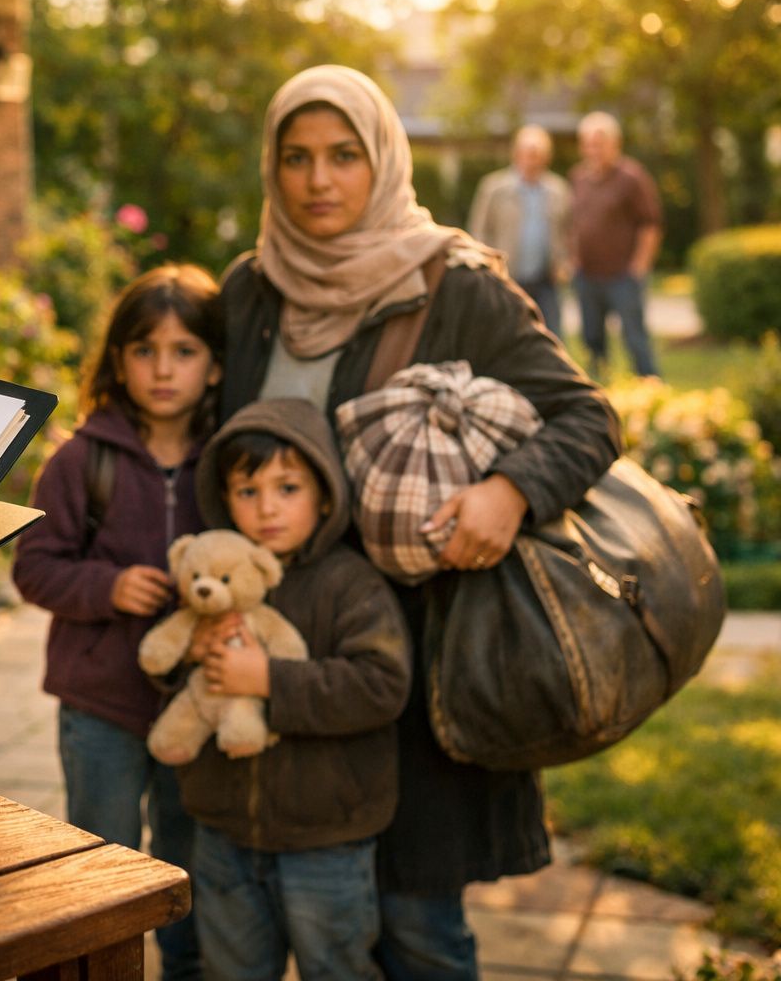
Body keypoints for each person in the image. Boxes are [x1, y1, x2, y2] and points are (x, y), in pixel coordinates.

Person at [210, 66, 620, 979]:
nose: (319, 181)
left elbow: (589, 417)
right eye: (297, 158)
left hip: (418, 678)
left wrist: (510, 491)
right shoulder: (251, 293)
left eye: (344, 156)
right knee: (278, 932)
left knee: (416, 933)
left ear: (383, 159)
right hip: (281, 670)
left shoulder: (457, 287)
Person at [12, 263, 223, 981]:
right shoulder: (80, 461)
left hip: (198, 707)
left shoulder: (229, 463)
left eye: (184, 350)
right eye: (144, 350)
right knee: (102, 863)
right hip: (99, 707)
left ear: (216, 363)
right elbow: (33, 568)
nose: (164, 369)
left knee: (187, 861)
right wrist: (107, 587)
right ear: (119, 360)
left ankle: (187, 969)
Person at [179, 398, 409, 981]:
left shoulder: (349, 583)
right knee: (231, 969)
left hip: (326, 836)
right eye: (247, 491)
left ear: (325, 495)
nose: (267, 509)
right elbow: (181, 682)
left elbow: (382, 684)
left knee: (336, 967)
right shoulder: (216, 581)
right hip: (225, 827)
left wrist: (269, 681)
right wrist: (191, 661)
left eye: (288, 488)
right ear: (223, 498)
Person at [569, 111, 664, 379]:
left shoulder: (632, 177)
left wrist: (639, 266)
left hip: (623, 275)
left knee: (634, 337)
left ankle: (649, 388)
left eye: (599, 143)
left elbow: (651, 224)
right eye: (588, 143)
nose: (593, 149)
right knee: (592, 338)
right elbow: (573, 223)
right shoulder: (578, 177)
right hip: (587, 276)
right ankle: (599, 391)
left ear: (615, 143)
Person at [467, 125, 572, 338]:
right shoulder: (494, 188)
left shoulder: (558, 190)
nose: (532, 161)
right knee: (505, 334)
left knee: (551, 336)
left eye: (537, 155)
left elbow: (569, 231)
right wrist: (486, 267)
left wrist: (564, 263)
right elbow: (479, 231)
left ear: (546, 157)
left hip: (546, 281)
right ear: (516, 154)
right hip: (507, 277)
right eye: (528, 154)